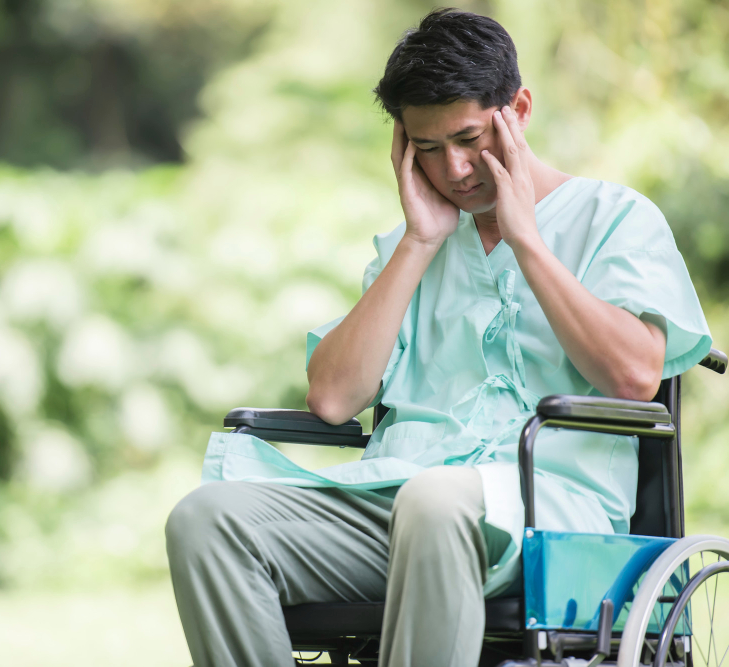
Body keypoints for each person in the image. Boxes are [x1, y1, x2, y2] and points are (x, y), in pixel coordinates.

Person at [165, 8, 712, 667]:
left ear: (520, 110)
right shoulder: (409, 246)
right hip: (398, 504)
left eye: (468, 139)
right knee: (205, 520)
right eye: (426, 148)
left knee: (434, 497)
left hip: (546, 518)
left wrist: (526, 241)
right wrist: (420, 242)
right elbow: (334, 398)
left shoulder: (614, 218)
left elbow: (634, 377)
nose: (453, 169)